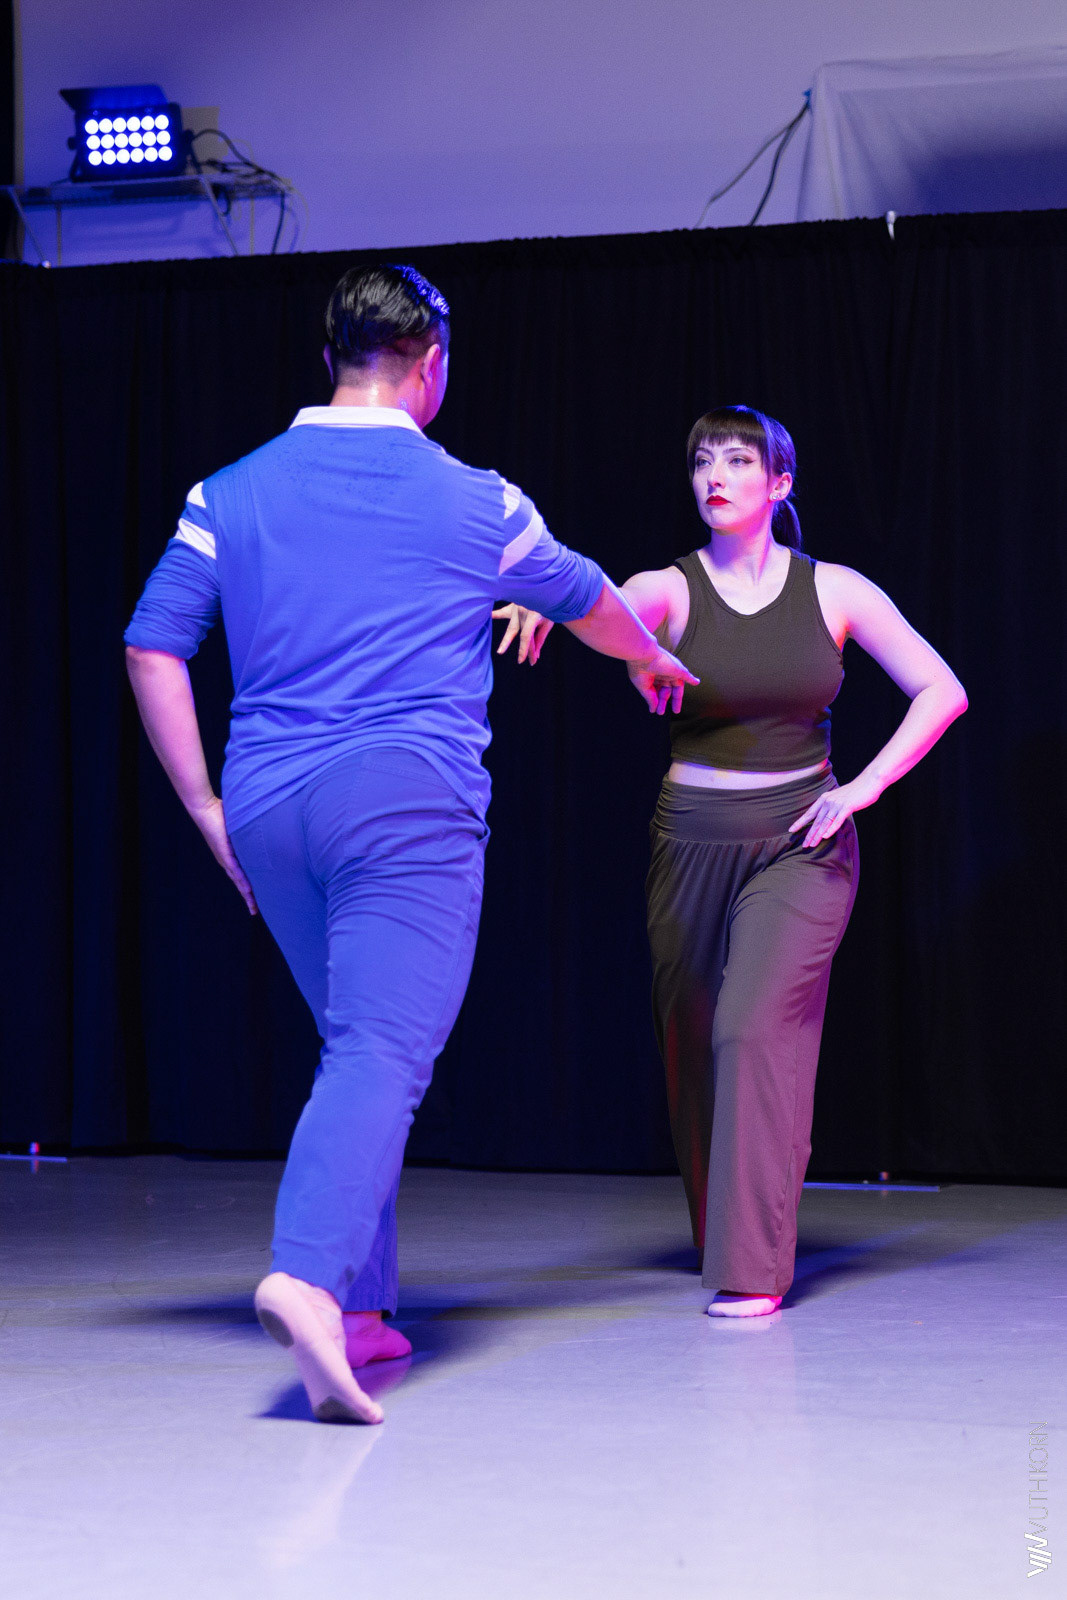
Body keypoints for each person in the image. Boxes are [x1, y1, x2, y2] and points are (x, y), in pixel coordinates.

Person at [123, 263, 697, 1422]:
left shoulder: (223, 492)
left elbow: (152, 642)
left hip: (267, 809)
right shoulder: (478, 500)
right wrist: (646, 654)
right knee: (382, 1045)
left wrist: (204, 806)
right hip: (403, 803)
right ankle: (307, 1278)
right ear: (429, 363)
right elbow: (587, 598)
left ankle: (364, 1309)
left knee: (355, 1041)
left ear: (330, 358)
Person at [496, 404, 967, 1318]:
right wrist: (546, 603)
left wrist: (862, 788)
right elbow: (603, 608)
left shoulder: (835, 591)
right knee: (694, 1043)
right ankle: (730, 1229)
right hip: (689, 841)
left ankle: (752, 1265)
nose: (714, 475)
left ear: (778, 483)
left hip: (801, 843)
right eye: (702, 461)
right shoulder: (670, 588)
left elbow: (939, 690)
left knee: (752, 1032)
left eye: (738, 460)